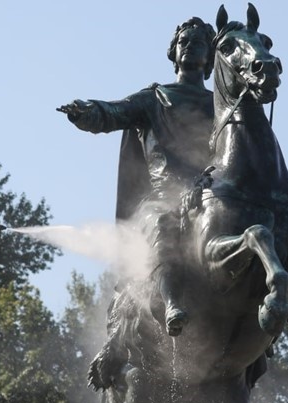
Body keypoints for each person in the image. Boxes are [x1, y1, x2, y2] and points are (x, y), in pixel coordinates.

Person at [57, 17, 216, 336]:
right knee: (163, 222)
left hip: (211, 195)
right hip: (161, 199)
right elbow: (113, 112)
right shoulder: (155, 98)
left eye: (199, 41)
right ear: (174, 53)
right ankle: (171, 303)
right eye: (184, 41)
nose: (189, 45)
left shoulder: (222, 105)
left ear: (211, 56)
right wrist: (86, 111)